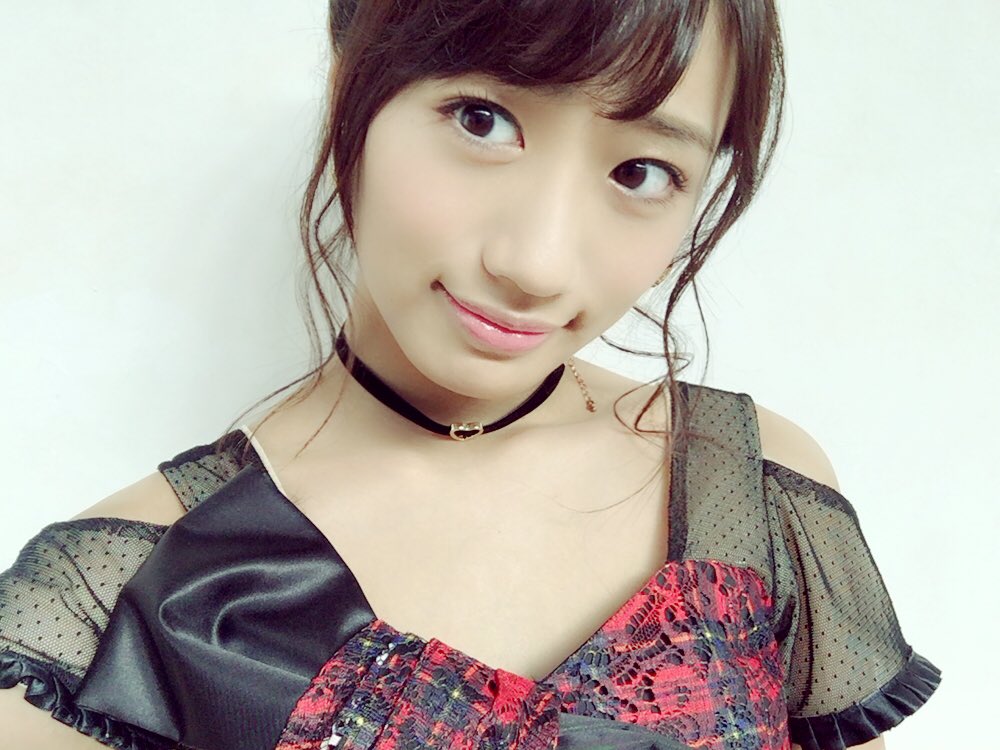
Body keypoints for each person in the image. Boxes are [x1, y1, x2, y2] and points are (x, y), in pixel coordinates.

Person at [0, 1, 941, 749]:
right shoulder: (112, 605)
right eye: (483, 120)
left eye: (642, 172)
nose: (537, 263)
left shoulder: (758, 493)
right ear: (350, 79)